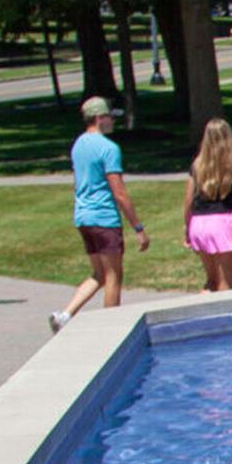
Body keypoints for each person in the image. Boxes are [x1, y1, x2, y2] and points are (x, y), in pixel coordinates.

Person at [50, 97, 149, 332]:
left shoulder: (79, 145)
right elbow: (120, 192)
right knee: (114, 275)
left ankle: (64, 315)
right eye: (109, 116)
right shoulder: (108, 148)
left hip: (83, 217)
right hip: (104, 218)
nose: (113, 120)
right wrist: (138, 227)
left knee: (99, 273)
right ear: (98, 118)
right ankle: (110, 329)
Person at [181, 117, 232, 293]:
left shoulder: (197, 165)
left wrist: (188, 229)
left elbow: (188, 201)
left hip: (199, 223)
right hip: (224, 221)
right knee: (225, 284)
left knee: (211, 280)